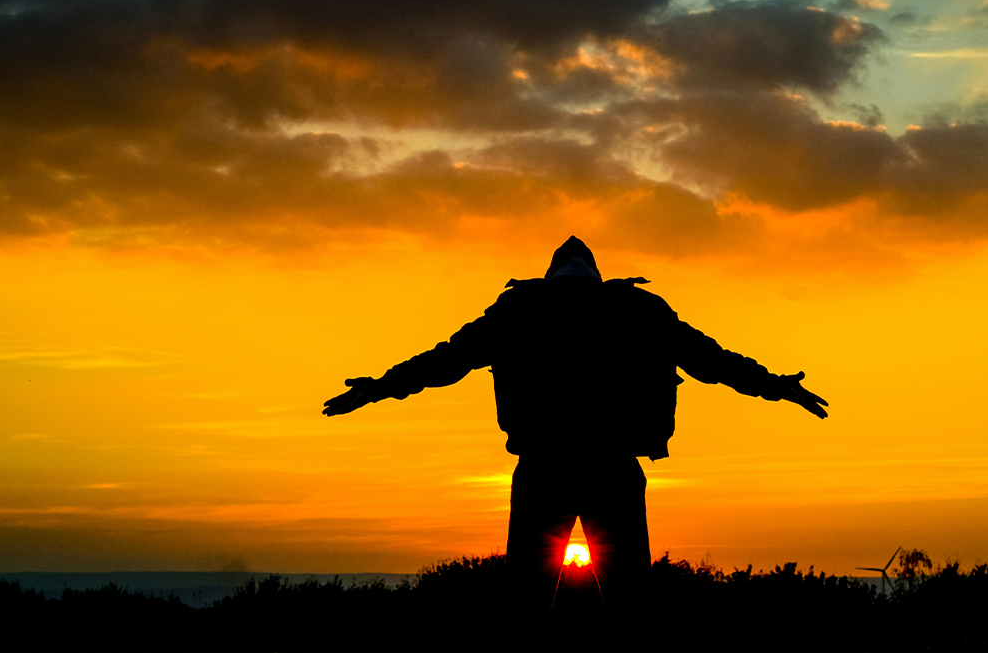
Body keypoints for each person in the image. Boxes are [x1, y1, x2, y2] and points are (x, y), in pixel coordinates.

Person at [322, 236, 828, 623]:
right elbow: (713, 361)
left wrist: (374, 388)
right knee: (630, 598)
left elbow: (441, 363)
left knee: (527, 598)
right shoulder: (639, 312)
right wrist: (780, 387)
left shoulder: (517, 313)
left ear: (550, 274)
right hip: (613, 466)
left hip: (544, 467)